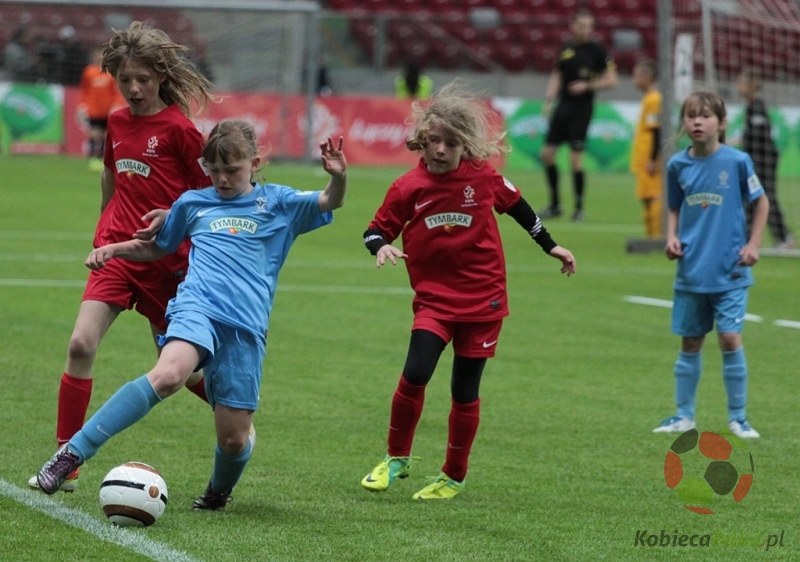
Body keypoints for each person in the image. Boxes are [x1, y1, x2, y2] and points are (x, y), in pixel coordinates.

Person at [36, 121, 348, 508]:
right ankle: (71, 454)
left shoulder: (280, 203)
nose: (222, 179)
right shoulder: (192, 203)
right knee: (169, 374)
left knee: (234, 439)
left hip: (245, 328)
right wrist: (115, 249)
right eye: (213, 170)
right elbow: (158, 247)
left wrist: (339, 177)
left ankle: (218, 491)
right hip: (195, 308)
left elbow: (330, 201)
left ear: (254, 163)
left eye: (231, 170)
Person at [360, 81, 576, 500]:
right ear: (422, 141)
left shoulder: (483, 176)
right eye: (434, 141)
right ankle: (396, 457)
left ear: (465, 145)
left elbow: (519, 207)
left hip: (484, 300)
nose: (441, 150)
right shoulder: (407, 187)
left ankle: (453, 476)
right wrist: (381, 245)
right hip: (435, 301)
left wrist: (551, 246)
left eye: (451, 143)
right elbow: (374, 230)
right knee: (415, 373)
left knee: (464, 390)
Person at [28, 21, 217, 493]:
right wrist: (102, 229)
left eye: (143, 79)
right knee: (80, 344)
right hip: (116, 252)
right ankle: (66, 460)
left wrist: (175, 223)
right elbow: (110, 177)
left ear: (161, 77)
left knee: (183, 373)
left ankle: (233, 407)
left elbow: (208, 198)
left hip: (167, 263)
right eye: (125, 79)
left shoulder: (180, 130)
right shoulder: (115, 122)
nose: (133, 88)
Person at [653, 91, 768, 439]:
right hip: (692, 271)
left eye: (705, 116)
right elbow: (674, 207)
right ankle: (683, 416)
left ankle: (739, 418)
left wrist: (753, 244)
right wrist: (671, 237)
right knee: (690, 342)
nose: (697, 122)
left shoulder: (737, 161)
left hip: (731, 269)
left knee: (730, 338)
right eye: (691, 116)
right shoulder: (677, 165)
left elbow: (761, 203)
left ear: (721, 122)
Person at [539, 9, 617, 221]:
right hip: (562, 106)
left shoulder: (597, 51)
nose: (586, 30)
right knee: (547, 154)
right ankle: (555, 205)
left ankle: (579, 208)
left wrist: (588, 85)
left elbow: (612, 80)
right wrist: (549, 100)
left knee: (575, 159)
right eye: (582, 25)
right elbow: (557, 74)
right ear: (572, 26)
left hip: (582, 109)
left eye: (589, 26)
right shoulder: (566, 48)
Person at [736, 68, 795, 249]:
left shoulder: (758, 107)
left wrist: (741, 140)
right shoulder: (751, 107)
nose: (738, 86)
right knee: (750, 197)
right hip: (755, 159)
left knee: (765, 196)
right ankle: (747, 238)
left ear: (752, 85)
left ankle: (783, 237)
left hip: (763, 159)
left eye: (742, 83)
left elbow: (759, 135)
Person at [78, 46, 126, 171]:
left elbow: (116, 92)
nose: (99, 57)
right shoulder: (89, 72)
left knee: (106, 135)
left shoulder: (111, 72)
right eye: (97, 54)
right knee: (94, 134)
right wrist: (82, 105)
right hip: (93, 109)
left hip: (107, 110)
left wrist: (116, 104)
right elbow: (84, 90)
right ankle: (92, 157)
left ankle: (102, 158)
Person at [629, 59, 662, 238]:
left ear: (647, 77)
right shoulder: (649, 98)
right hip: (644, 157)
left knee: (654, 195)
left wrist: (653, 158)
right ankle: (651, 235)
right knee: (646, 196)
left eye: (636, 76)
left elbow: (657, 130)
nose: (634, 80)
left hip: (650, 157)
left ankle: (656, 236)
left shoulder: (654, 99)